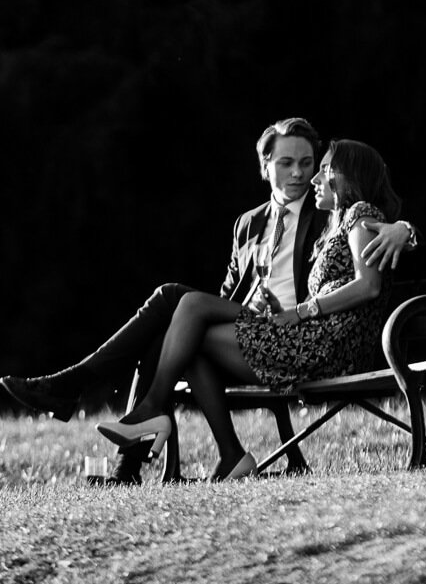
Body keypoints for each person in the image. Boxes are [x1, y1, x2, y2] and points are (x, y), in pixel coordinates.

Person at [0, 118, 419, 484]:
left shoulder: (325, 214)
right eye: (287, 163)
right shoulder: (247, 225)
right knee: (179, 319)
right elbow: (227, 293)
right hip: (258, 324)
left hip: (297, 333)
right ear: (265, 167)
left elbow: (374, 225)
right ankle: (191, 455)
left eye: (310, 164)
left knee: (178, 305)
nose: (301, 175)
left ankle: (86, 395)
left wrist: (406, 228)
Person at [96, 139, 402, 481]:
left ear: (349, 176)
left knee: (191, 304)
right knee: (192, 337)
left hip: (327, 348)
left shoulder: (362, 214)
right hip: (311, 340)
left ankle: (151, 412)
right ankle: (230, 455)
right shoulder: (341, 222)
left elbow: (369, 285)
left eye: (324, 169)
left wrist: (303, 310)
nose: (314, 179)